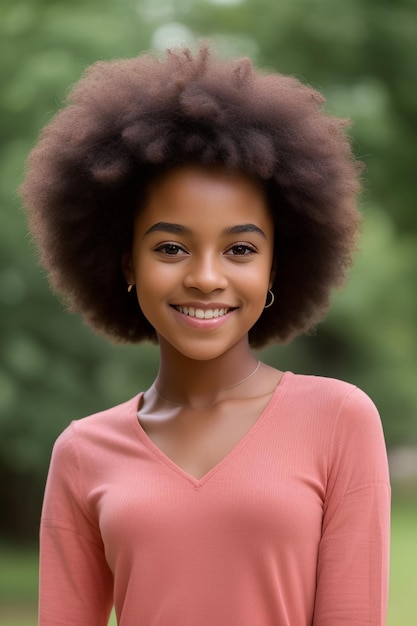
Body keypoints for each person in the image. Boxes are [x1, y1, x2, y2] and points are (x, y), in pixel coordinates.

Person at [21, 45, 390, 625]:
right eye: (171, 248)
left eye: (240, 249)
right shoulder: (82, 453)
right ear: (125, 264)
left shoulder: (339, 419)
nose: (206, 277)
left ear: (275, 266)